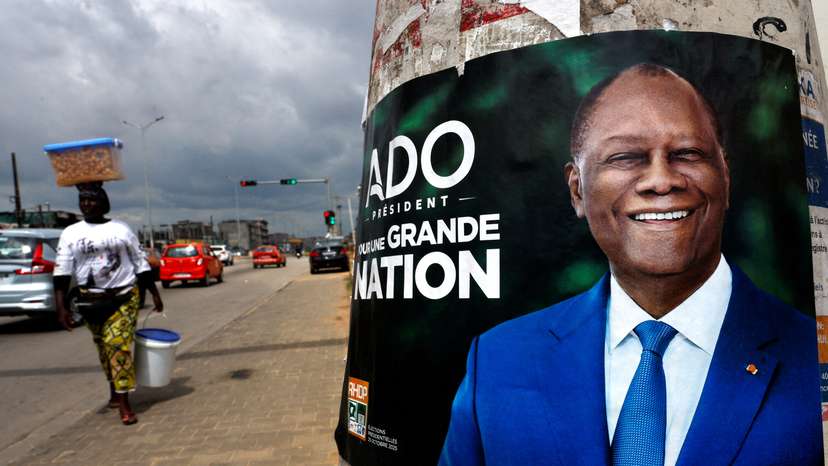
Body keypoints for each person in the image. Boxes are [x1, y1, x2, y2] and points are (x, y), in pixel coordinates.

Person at [440, 64, 822, 465]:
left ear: (724, 175)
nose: (660, 180)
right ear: (577, 191)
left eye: (687, 153)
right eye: (626, 157)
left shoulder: (811, 356)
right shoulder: (499, 362)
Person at [54, 182, 164, 426]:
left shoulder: (120, 229)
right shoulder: (71, 232)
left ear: (103, 202)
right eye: (83, 200)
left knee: (117, 345)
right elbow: (61, 271)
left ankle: (124, 402)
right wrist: (61, 307)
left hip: (123, 296)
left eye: (92, 199)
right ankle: (115, 389)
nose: (87, 204)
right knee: (104, 349)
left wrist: (154, 294)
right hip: (90, 300)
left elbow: (140, 263)